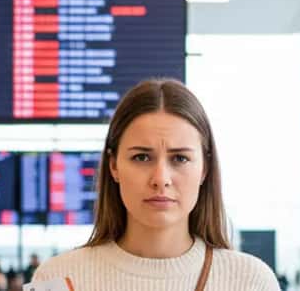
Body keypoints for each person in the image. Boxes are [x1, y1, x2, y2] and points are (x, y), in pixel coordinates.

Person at [30, 79, 280, 290]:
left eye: (180, 158)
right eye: (141, 157)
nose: (161, 178)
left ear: (204, 168)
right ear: (113, 166)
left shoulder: (251, 282)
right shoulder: (57, 279)